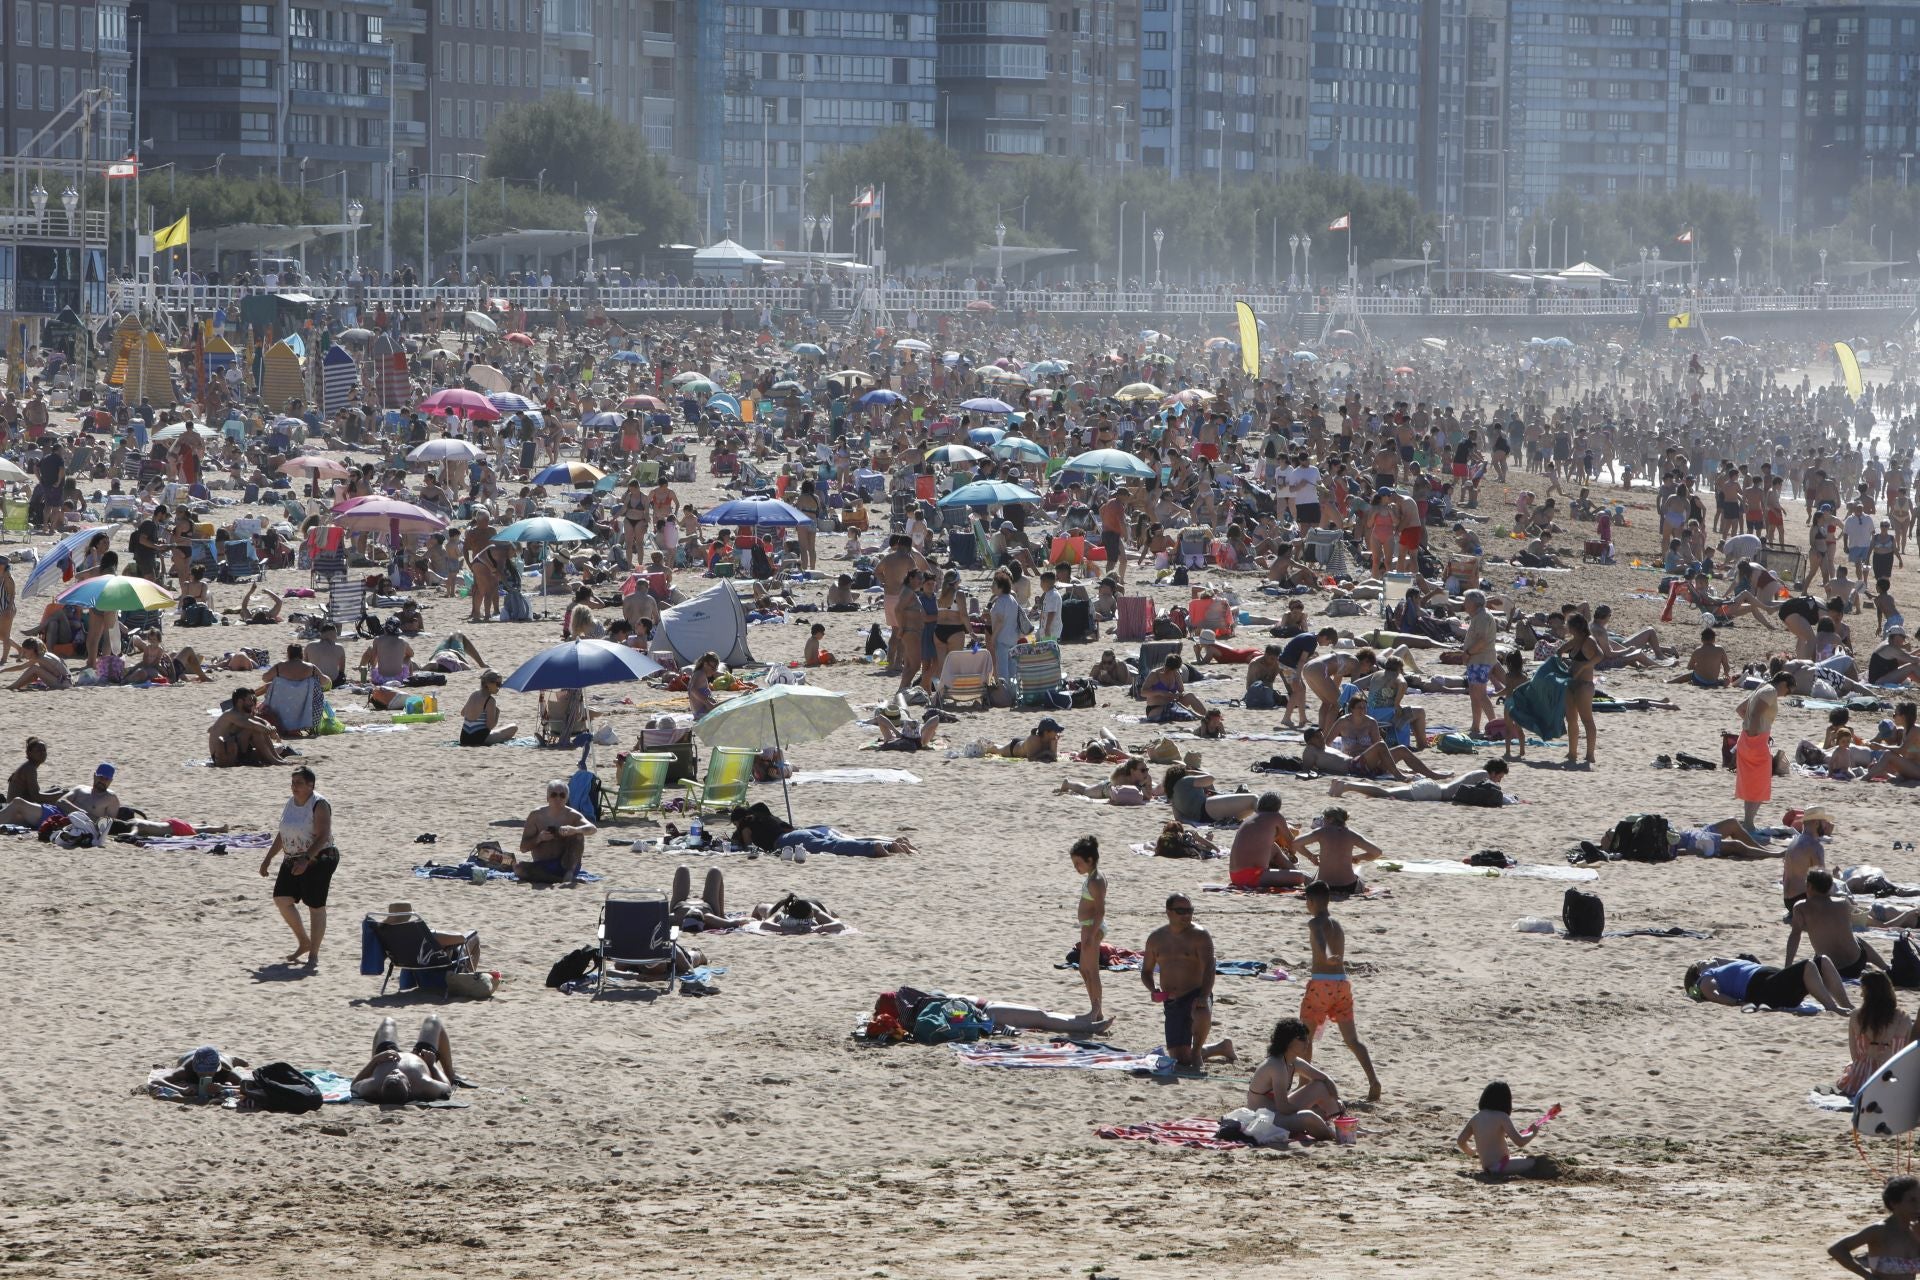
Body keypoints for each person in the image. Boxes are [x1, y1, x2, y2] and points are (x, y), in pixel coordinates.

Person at [1299, 879, 1383, 1099]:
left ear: (1311, 901)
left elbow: (1319, 940)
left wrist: (1326, 957)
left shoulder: (1314, 922)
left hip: (1321, 983)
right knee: (1352, 1039)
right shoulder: (1338, 925)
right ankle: (1373, 1080)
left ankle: (1301, 1084)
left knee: (1305, 1037)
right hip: (1342, 984)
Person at [1141, 893, 1235, 1070]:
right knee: (1181, 1058)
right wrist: (1153, 989)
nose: (1187, 915)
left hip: (1195, 993)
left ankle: (1198, 1051)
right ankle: (1221, 1047)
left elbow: (1210, 967)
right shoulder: (1156, 938)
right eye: (1181, 911)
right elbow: (1146, 971)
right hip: (1171, 1000)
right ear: (1168, 912)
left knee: (1201, 1010)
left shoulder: (1200, 935)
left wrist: (1204, 995)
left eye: (1189, 911)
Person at [257, 766, 336, 967]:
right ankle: (304, 941)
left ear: (311, 785)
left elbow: (323, 835)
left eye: (299, 783)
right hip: (292, 856)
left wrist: (306, 859)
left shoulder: (319, 804)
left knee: (315, 905)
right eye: (293, 783)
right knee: (281, 899)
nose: (294, 787)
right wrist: (268, 859)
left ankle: (314, 954)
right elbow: (283, 833)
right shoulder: (290, 803)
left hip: (320, 858)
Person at [1243, 1017, 1341, 1141]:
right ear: (1287, 1041)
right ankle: (1337, 1134)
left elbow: (1325, 1079)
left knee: (1320, 1085)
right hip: (1264, 1119)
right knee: (1309, 1116)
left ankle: (1342, 1122)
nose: (1307, 1042)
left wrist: (1337, 1099)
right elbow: (1283, 1107)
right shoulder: (1276, 1065)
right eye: (1302, 1039)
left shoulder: (1293, 1061)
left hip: (1279, 1112)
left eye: (1307, 1038)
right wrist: (1310, 1109)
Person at [1788, 869, 1887, 980]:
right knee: (1857, 940)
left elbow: (1795, 936)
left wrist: (1788, 965)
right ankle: (1885, 967)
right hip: (1856, 964)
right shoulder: (1843, 903)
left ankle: (1883, 967)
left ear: (1810, 886)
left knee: (1821, 950)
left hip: (1830, 968)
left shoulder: (1801, 907)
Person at [1685, 954, 1851, 1012]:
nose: (1709, 959)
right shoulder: (1705, 977)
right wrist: (1737, 1002)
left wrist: (1718, 959)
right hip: (1763, 990)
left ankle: (1846, 1005)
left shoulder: (1723, 967)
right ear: (1698, 972)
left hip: (1773, 985)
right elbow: (1712, 993)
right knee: (1808, 965)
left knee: (1822, 961)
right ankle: (1832, 1007)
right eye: (1703, 961)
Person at [349, 1015, 457, 1103]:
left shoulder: (373, 1085)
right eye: (399, 1076)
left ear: (381, 1086)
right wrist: (432, 1065)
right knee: (433, 1020)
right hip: (422, 1057)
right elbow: (447, 1088)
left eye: (390, 1075)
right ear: (409, 1086)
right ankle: (451, 1074)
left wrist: (375, 1060)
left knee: (388, 1021)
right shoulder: (424, 1085)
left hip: (385, 1057)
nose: (395, 1071)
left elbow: (354, 1085)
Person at [1829, 1175, 1920, 1279]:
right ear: (1894, 1203)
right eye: (1912, 1200)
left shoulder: (1916, 1230)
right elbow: (1836, 1249)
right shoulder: (1879, 1230)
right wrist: (1867, 1276)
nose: (1918, 1206)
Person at [1839, 970, 1913, 1095]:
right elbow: (1907, 1054)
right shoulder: (1903, 1018)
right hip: (1894, 1077)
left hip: (1862, 1080)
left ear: (1868, 993)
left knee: (1850, 1066)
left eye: (1863, 990)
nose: (1861, 995)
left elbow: (1855, 1056)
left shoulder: (1856, 1016)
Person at [1735, 672, 1793, 828]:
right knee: (1761, 781)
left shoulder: (1762, 687)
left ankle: (1748, 821)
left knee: (1751, 782)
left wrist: (1753, 729)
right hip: (1755, 740)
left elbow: (1741, 709)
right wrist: (1755, 734)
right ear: (1784, 684)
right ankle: (1748, 821)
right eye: (1788, 691)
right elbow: (1754, 714)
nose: (1786, 695)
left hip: (1745, 739)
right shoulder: (1771, 691)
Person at [1328, 758, 1508, 805]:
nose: (1498, 782)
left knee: (1387, 794)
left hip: (1432, 788)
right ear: (1493, 772)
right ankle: (1347, 786)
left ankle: (1342, 785)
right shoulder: (1483, 775)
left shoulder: (1477, 774)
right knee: (1386, 793)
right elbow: (1493, 795)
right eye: (1499, 777)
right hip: (1433, 792)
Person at [1455, 1081, 1544, 1177]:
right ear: (1505, 1101)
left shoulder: (1476, 1117)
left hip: (1487, 1167)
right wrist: (1533, 1133)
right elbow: (1520, 1142)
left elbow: (1460, 1141)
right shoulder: (1502, 1116)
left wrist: (1471, 1152)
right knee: (1535, 1161)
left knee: (1523, 1159)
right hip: (1501, 1166)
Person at [517, 779, 596, 883]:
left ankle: (569, 873)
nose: (558, 798)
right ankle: (560, 880)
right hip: (542, 865)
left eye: (562, 795)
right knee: (519, 869)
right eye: (554, 795)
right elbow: (523, 848)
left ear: (567, 798)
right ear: (547, 797)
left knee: (578, 835)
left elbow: (592, 829)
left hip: (567, 864)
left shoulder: (572, 815)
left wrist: (574, 830)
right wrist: (539, 838)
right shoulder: (536, 816)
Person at [1291, 808, 1386, 893]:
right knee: (1359, 869)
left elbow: (1295, 843)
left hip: (1324, 887)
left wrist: (1310, 856)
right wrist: (1358, 857)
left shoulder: (1321, 832)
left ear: (1331, 819)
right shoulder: (1351, 834)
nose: (1323, 821)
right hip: (1349, 887)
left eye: (1324, 818)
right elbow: (1377, 852)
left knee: (1311, 874)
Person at [1227, 792, 1303, 888]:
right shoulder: (1276, 817)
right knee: (1299, 877)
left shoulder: (1250, 818)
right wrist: (1297, 852)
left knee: (1273, 848)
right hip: (1251, 877)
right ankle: (1295, 871)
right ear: (1277, 807)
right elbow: (1293, 843)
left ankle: (1293, 870)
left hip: (1235, 875)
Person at [1070, 836, 1107, 1020]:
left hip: (1092, 928)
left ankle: (1097, 1012)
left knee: (1092, 971)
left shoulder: (1097, 881)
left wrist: (1091, 935)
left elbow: (1100, 911)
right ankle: (1094, 1007)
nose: (1076, 867)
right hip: (1087, 927)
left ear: (1089, 860)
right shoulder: (1092, 877)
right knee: (1084, 969)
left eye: (1078, 863)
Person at [1558, 612, 1600, 766]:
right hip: (1571, 684)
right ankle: (1572, 752)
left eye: (1568, 625)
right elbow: (1559, 651)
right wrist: (1563, 666)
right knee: (1571, 719)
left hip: (1584, 686)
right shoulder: (1575, 640)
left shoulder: (1589, 640)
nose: (1566, 627)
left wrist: (1584, 666)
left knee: (1587, 720)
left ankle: (1590, 755)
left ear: (1574, 627)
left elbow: (1600, 655)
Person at [209, 687, 289, 766]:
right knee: (254, 730)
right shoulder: (231, 714)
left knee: (258, 730)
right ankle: (274, 760)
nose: (252, 704)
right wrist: (269, 731)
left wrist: (269, 727)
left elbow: (260, 722)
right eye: (250, 700)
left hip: (232, 750)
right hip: (221, 755)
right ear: (240, 701)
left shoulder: (241, 714)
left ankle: (277, 758)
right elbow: (253, 725)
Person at [1164, 762, 1259, 823]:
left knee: (1248, 807)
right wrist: (1192, 772)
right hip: (1208, 806)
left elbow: (1178, 819)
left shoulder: (1172, 796)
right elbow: (1210, 778)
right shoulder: (1184, 780)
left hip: (1203, 819)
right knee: (1254, 799)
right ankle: (1267, 823)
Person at [1460, 589, 1499, 735]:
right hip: (1477, 660)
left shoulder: (1482, 617)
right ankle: (1475, 726)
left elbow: (1482, 640)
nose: (1464, 604)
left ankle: (1494, 725)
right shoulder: (1478, 616)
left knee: (1480, 694)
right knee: (1474, 694)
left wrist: (1468, 652)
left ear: (1474, 603)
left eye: (1466, 601)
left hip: (1480, 660)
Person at [671, 864, 748, 931]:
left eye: (690, 917)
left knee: (682, 869)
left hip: (679, 905)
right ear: (703, 921)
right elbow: (733, 923)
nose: (694, 910)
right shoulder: (708, 918)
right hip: (707, 906)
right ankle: (721, 914)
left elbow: (659, 918)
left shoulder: (676, 918)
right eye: (697, 916)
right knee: (715, 871)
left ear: (685, 920)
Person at [1140, 654, 1208, 721]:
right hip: (1156, 708)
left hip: (1173, 705)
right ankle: (1194, 716)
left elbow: (1182, 691)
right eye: (1168, 669)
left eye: (1171, 670)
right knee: (1171, 709)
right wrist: (1160, 692)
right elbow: (1143, 693)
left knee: (1190, 696)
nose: (1168, 672)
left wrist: (1177, 695)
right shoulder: (1154, 674)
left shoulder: (1176, 673)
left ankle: (1207, 716)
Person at [459, 669, 518, 746]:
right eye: (498, 684)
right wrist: (497, 713)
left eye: (501, 684)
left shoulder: (474, 693)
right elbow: (490, 726)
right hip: (478, 739)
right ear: (488, 683)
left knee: (498, 731)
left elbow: (463, 713)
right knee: (514, 727)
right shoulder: (490, 701)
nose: (499, 687)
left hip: (464, 738)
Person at [984, 716, 1063, 762]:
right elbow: (1031, 758)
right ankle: (984, 744)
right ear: (1046, 732)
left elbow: (1054, 757)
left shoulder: (1051, 739)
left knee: (999, 747)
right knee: (997, 749)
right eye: (1055, 731)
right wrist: (1046, 752)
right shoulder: (1034, 739)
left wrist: (1054, 744)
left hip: (1023, 744)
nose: (1057, 733)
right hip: (1014, 749)